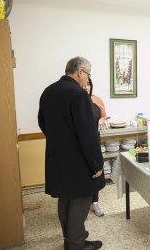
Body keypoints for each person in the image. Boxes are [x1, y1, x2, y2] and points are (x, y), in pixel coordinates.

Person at [38, 57, 104, 250]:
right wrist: (96, 164)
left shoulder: (48, 91)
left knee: (65, 198)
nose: (87, 79)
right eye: (88, 74)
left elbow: (42, 121)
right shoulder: (78, 94)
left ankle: (71, 238)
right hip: (78, 159)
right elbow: (87, 133)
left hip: (57, 156)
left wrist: (60, 141)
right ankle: (76, 245)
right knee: (81, 200)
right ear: (80, 72)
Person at [85, 78, 108, 217]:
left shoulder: (97, 100)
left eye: (89, 84)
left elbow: (104, 117)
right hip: (79, 142)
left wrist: (102, 119)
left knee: (96, 170)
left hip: (94, 140)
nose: (87, 87)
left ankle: (95, 202)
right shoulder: (75, 100)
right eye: (85, 84)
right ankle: (82, 204)